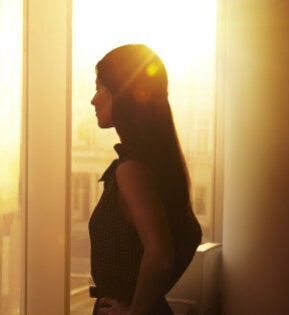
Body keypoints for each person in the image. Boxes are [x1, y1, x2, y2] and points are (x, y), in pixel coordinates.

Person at [88, 44, 202, 315]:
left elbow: (161, 256)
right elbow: (191, 236)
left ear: (123, 93)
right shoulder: (156, 165)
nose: (93, 100)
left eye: (99, 88)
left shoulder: (131, 170)